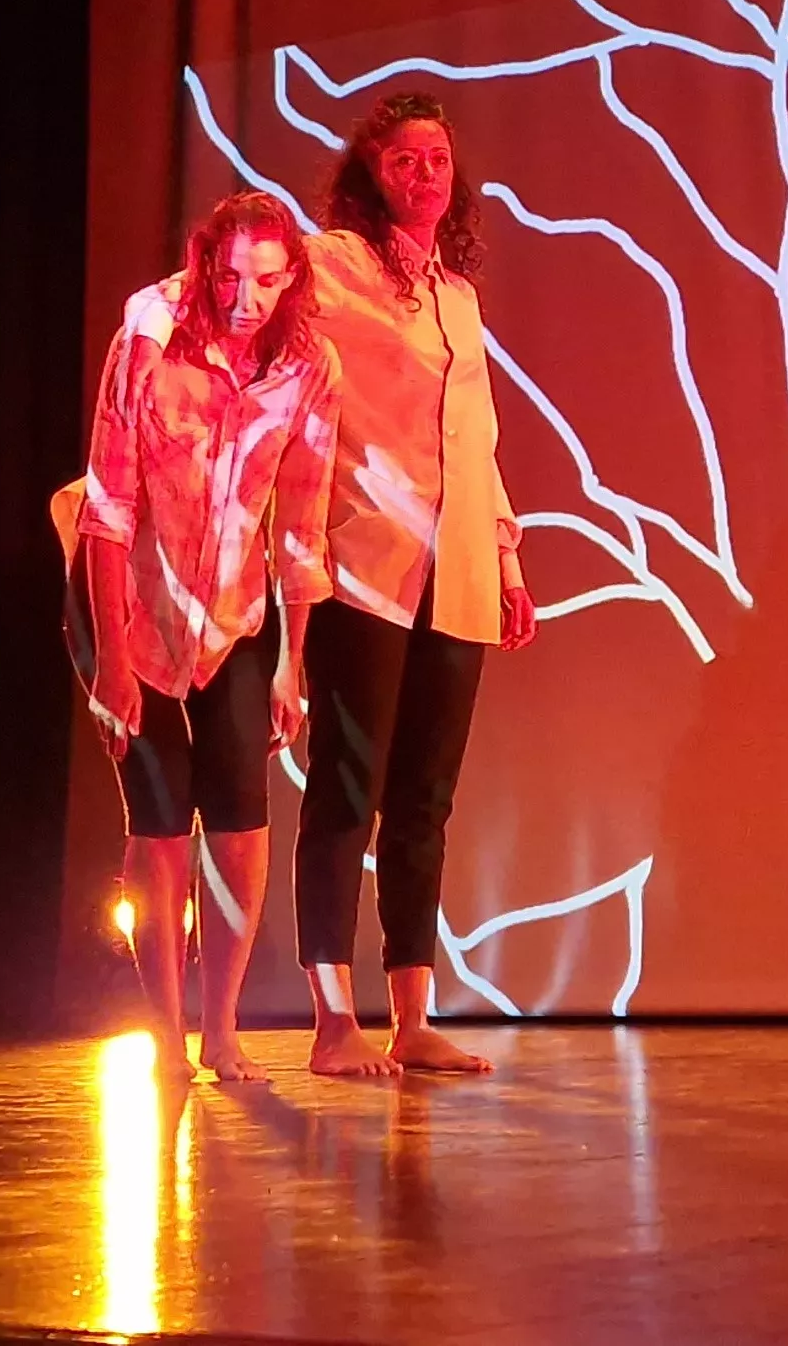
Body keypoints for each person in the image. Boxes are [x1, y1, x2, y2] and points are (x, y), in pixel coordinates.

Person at [64, 191, 336, 1082]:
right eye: (227, 277)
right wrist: (111, 658)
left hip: (233, 615)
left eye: (263, 281)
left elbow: (299, 526)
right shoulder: (150, 328)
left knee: (240, 821)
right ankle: (167, 1032)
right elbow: (107, 505)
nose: (243, 299)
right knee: (159, 826)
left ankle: (221, 1029)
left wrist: (295, 660)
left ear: (290, 274)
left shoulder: (308, 365)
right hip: (126, 604)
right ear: (204, 263)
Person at [294, 94, 535, 1079]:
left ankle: (409, 1015)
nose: (425, 174)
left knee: (424, 800)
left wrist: (507, 560)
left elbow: (475, 442)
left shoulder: (457, 299)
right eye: (404, 159)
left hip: (458, 570)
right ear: (368, 172)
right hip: (364, 562)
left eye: (437, 159)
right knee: (345, 790)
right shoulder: (327, 267)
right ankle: (330, 1020)